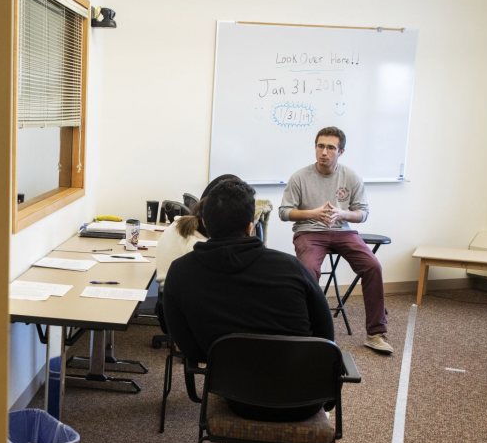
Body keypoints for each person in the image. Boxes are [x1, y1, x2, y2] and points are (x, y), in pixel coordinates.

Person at [164, 178, 334, 421]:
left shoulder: (180, 272)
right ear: (250, 226)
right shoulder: (291, 268)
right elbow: (325, 335)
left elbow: (190, 349)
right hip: (304, 399)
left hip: (237, 397)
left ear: (205, 226)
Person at [278, 126, 392, 354]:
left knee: (372, 266)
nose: (324, 152)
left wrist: (341, 214)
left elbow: (363, 213)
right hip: (309, 231)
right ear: (315, 147)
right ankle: (307, 331)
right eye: (320, 146)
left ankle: (375, 333)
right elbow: (284, 212)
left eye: (331, 148)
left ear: (341, 152)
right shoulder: (300, 177)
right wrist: (313, 213)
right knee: (308, 269)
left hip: (343, 231)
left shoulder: (351, 176)